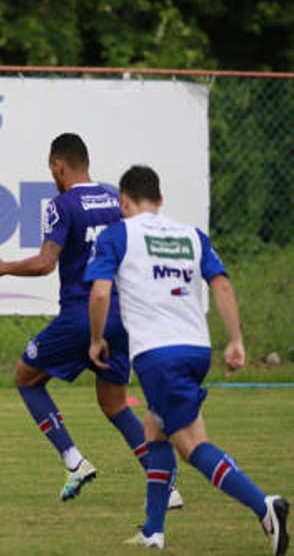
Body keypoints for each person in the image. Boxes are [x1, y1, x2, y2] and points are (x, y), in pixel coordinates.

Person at [86, 165, 288, 553]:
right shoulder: (191, 235)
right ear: (160, 201)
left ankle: (264, 506)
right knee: (155, 426)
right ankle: (153, 531)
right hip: (196, 348)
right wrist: (235, 341)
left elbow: (99, 294)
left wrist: (96, 339)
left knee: (192, 444)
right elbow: (222, 285)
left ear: (123, 201)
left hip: (157, 354)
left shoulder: (118, 234)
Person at [0, 133, 182, 506]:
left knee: (26, 379)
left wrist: (2, 267)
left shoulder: (61, 205)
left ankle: (74, 461)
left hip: (83, 313)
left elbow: (45, 263)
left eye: (52, 169)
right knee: (114, 404)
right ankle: (166, 489)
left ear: (59, 165)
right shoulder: (115, 199)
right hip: (124, 315)